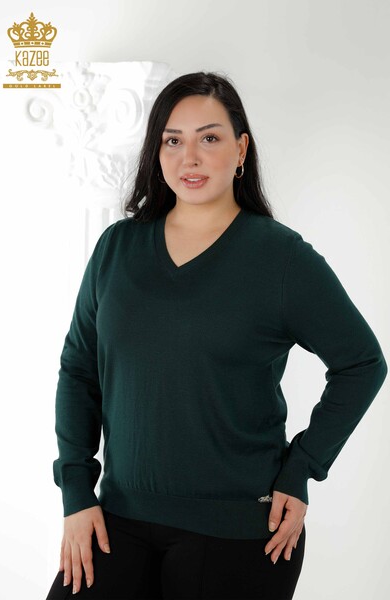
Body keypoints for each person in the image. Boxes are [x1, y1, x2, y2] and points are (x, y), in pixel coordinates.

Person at [45, 72, 387, 600]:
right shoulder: (117, 247)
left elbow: (362, 363)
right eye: (172, 140)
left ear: (241, 149)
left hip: (240, 533)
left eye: (209, 138)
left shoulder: (281, 259)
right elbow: (79, 369)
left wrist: (302, 467)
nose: (190, 158)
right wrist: (75, 490)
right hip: (116, 522)